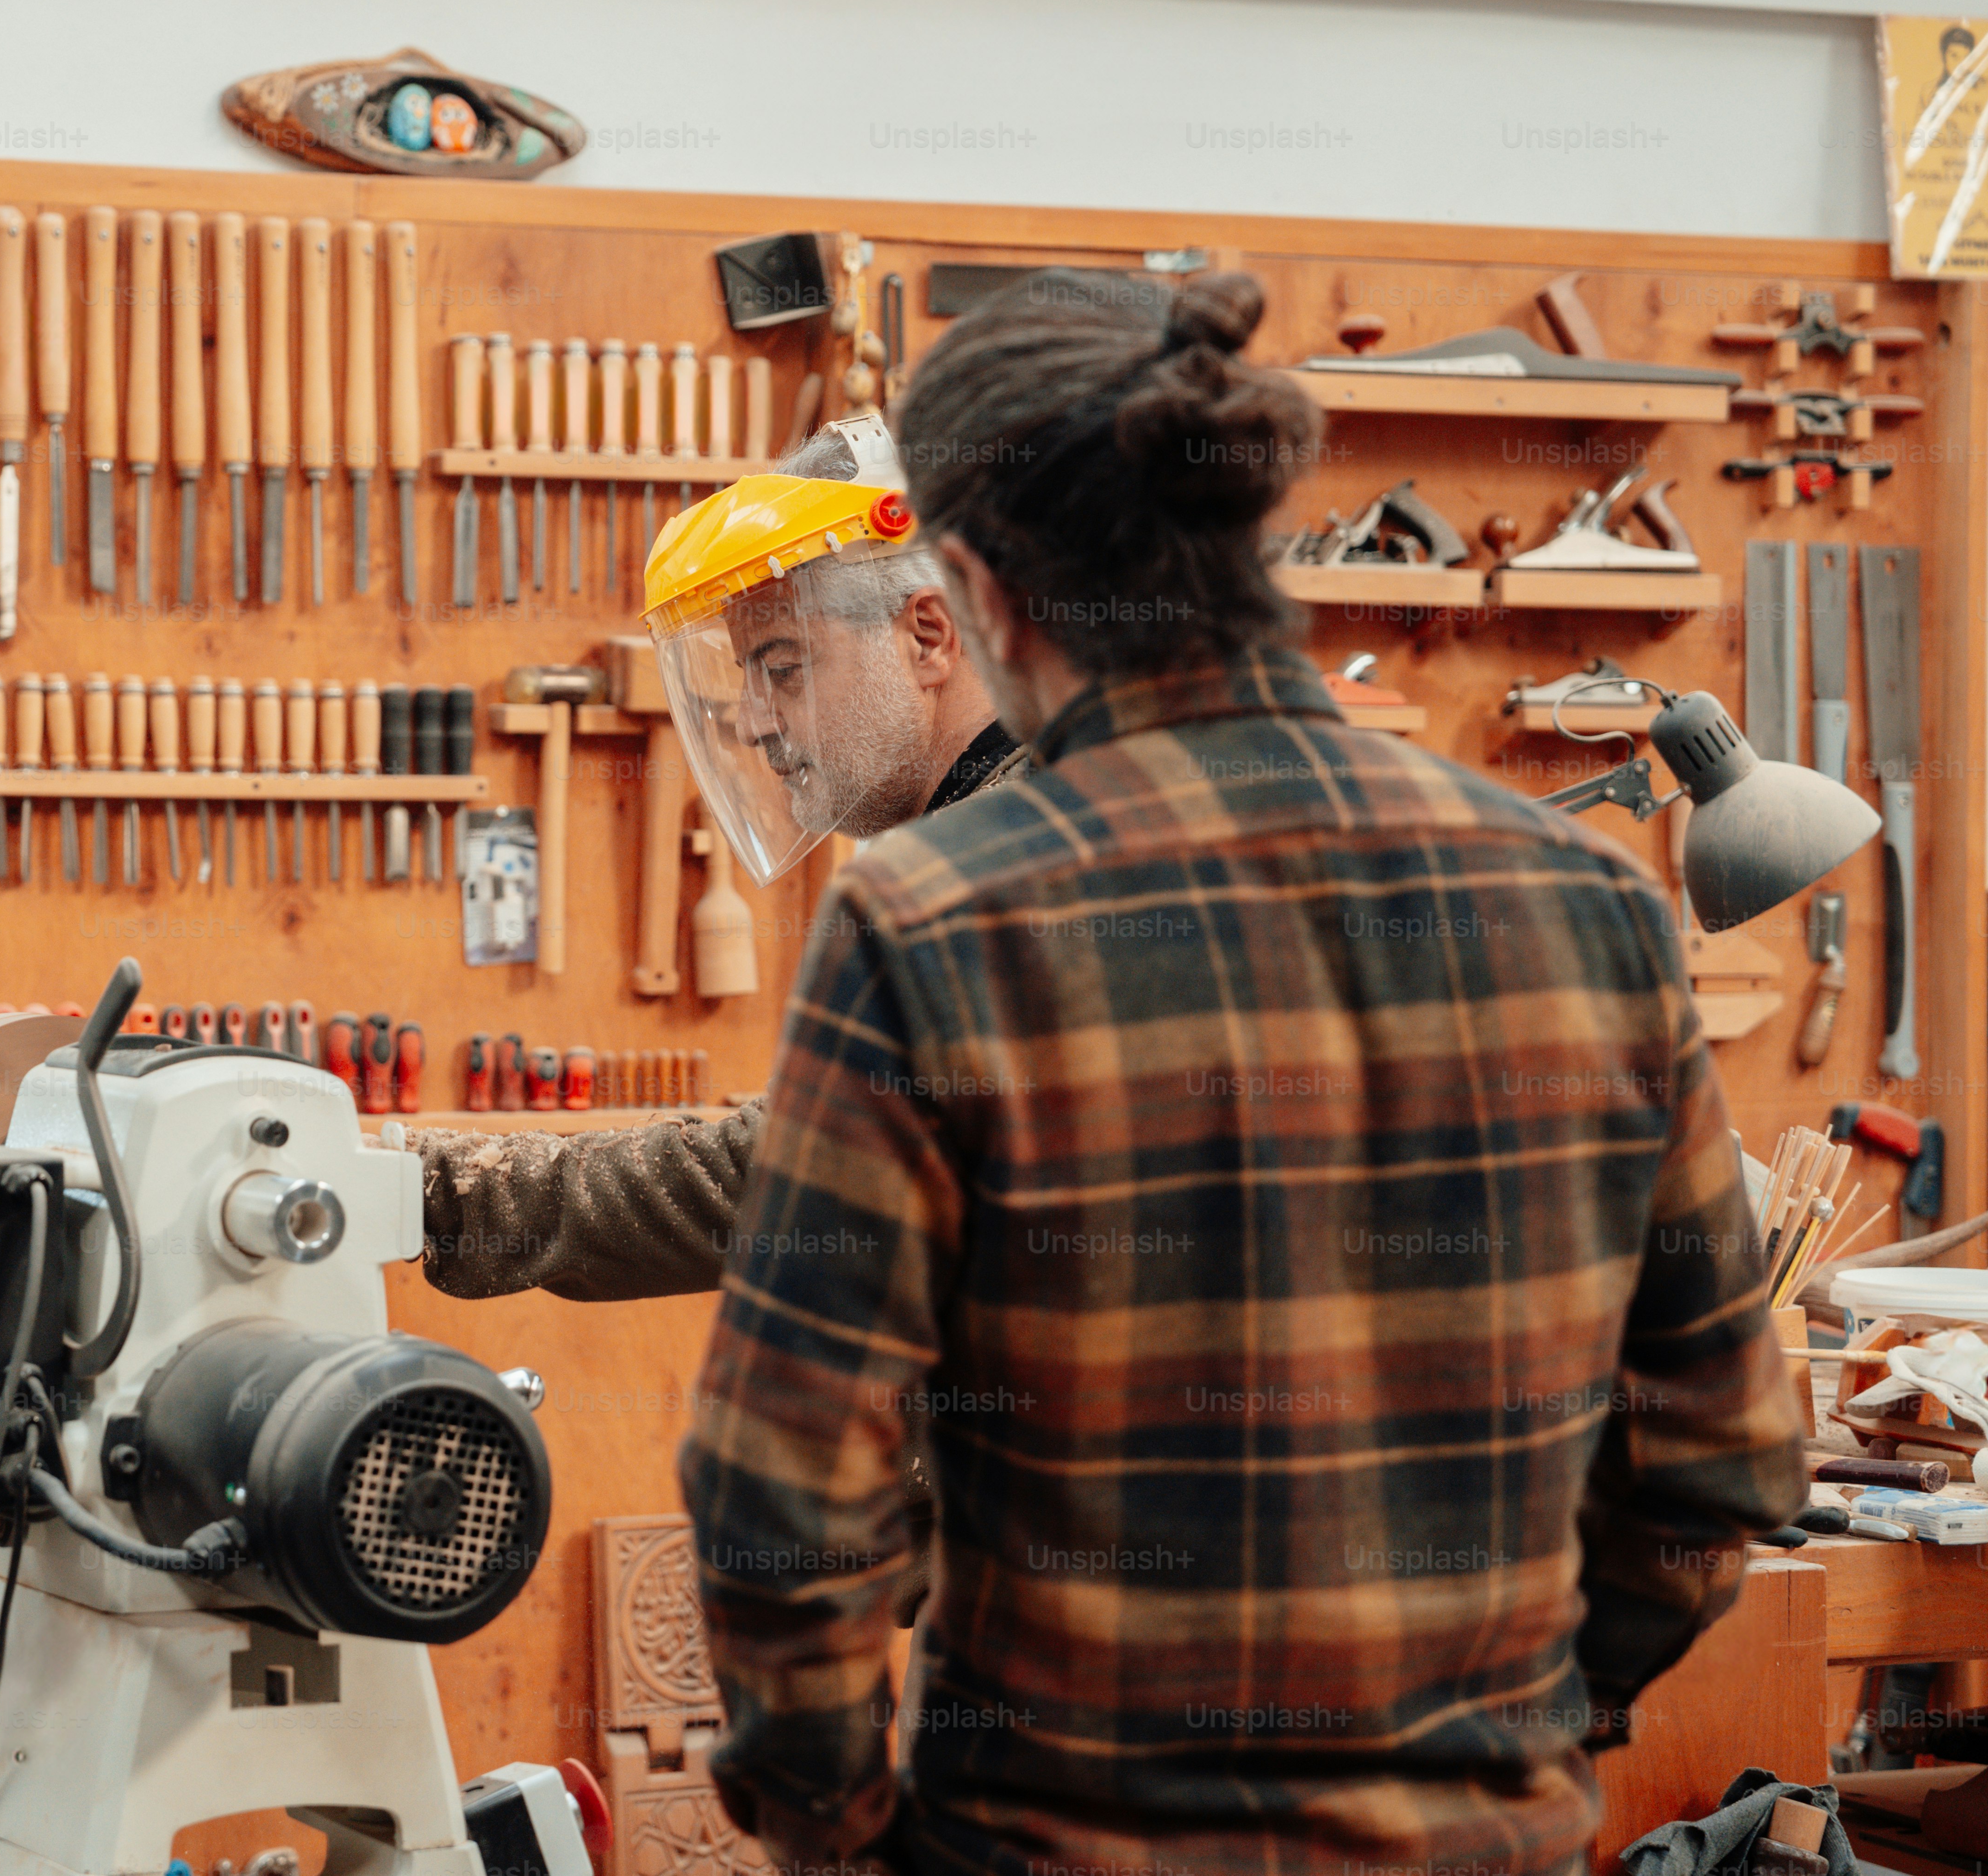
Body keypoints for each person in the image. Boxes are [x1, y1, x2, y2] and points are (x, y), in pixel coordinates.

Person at [677, 274, 1807, 1876]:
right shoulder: (1594, 905)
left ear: (977, 589)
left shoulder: (936, 918)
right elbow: (1720, 1460)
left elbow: (777, 1496)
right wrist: (1521, 1722)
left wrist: (847, 1839)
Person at [413, 418, 1018, 1303]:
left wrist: (448, 1195)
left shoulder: (1004, 869)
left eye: (783, 668)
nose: (757, 721)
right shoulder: (1019, 815)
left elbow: (791, 1176)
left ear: (927, 636)